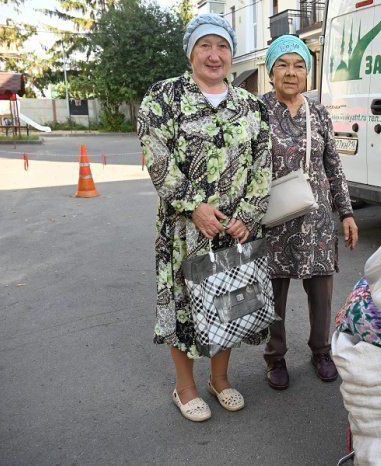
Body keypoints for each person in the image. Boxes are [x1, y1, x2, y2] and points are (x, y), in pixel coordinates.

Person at [137, 14, 272, 421]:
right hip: (184, 229)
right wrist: (193, 205)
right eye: (205, 46)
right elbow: (156, 156)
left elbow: (263, 164)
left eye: (223, 46)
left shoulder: (250, 105)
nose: (215, 55)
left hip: (235, 229)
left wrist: (248, 212)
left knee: (231, 301)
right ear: (191, 52)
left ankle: (220, 379)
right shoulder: (162, 99)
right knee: (182, 305)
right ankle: (185, 387)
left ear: (231, 54)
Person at [261, 35, 359, 390]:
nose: (291, 73)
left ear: (308, 73)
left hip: (316, 220)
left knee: (321, 291)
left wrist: (346, 213)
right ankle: (275, 356)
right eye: (283, 65)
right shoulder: (258, 111)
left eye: (299, 65)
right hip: (272, 219)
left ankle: (321, 350)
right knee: (273, 292)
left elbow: (333, 164)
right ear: (271, 71)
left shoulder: (316, 111)